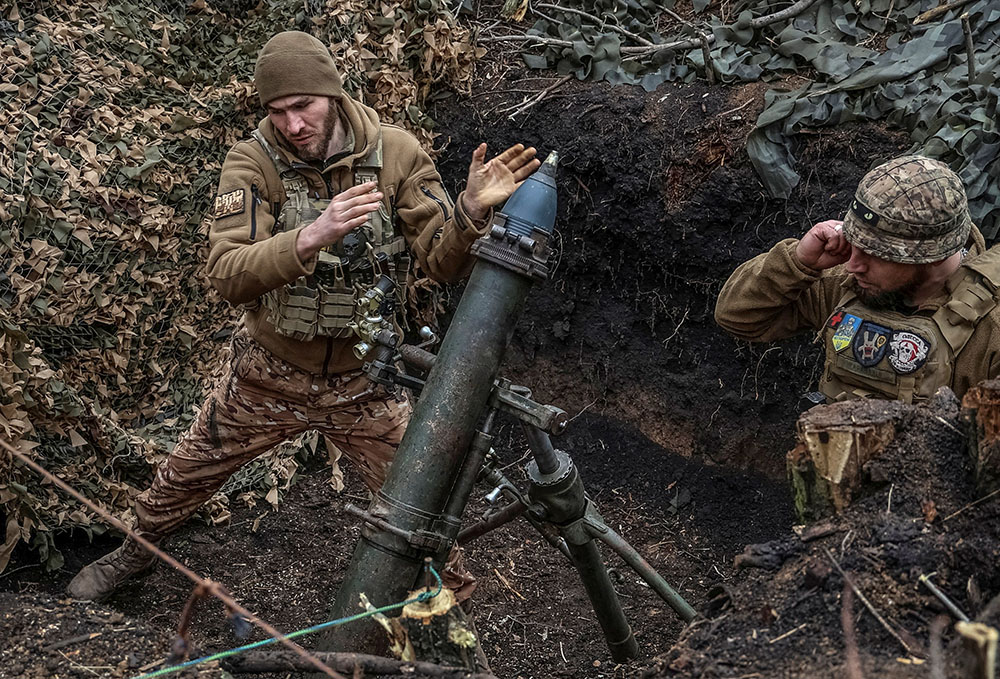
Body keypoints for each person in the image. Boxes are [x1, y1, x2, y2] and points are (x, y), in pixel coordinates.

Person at [68, 30, 539, 601]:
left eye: (303, 106)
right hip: (269, 370)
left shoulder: (397, 155)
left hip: (364, 379)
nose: (292, 124)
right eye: (277, 111)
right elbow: (226, 272)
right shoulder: (252, 163)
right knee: (182, 477)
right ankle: (134, 557)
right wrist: (310, 236)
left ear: (334, 95)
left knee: (419, 508)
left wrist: (466, 214)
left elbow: (439, 266)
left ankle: (445, 619)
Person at [715, 154, 1000, 404]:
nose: (852, 265)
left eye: (875, 254)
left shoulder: (991, 328)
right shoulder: (845, 283)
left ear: (933, 257)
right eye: (853, 243)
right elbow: (736, 317)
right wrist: (797, 262)